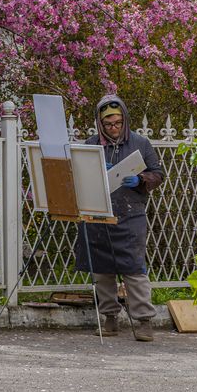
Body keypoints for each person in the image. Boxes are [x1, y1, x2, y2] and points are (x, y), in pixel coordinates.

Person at [74, 95, 163, 342]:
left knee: (134, 269)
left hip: (130, 212)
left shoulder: (140, 143)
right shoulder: (92, 144)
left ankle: (144, 321)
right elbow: (78, 174)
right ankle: (110, 318)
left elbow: (158, 173)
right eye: (108, 124)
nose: (113, 128)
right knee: (102, 271)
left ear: (124, 120)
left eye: (117, 123)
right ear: (100, 123)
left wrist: (142, 179)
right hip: (99, 212)